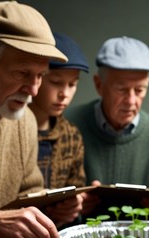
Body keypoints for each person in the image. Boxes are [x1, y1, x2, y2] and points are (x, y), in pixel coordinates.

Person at [0, 1, 83, 238]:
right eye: (23, 73)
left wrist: (51, 214)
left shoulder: (23, 124)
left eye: (40, 75)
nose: (34, 90)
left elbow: (25, 198)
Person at [66, 36, 149, 217]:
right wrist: (72, 209)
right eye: (122, 89)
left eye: (140, 90)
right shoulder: (69, 125)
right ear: (98, 85)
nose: (131, 101)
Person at [29, 32, 88, 192]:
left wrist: (74, 205)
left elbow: (77, 188)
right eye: (56, 82)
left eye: (72, 84)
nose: (65, 94)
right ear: (37, 77)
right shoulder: (11, 131)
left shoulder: (71, 135)